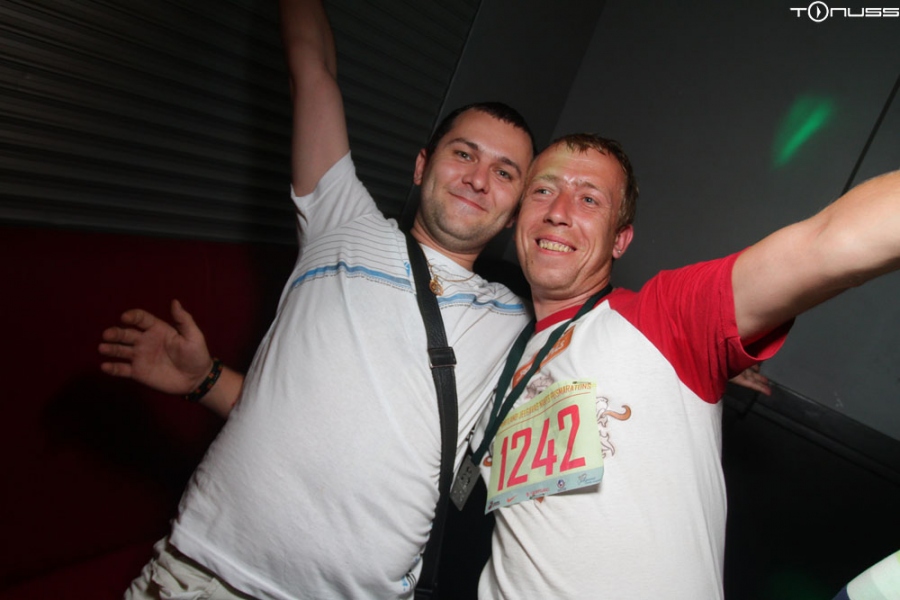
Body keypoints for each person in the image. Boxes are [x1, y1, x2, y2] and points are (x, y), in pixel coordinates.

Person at [99, 0, 535, 597]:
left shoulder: (516, 322)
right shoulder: (341, 221)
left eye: (505, 172)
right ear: (422, 165)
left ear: (516, 213)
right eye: (463, 153)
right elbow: (313, 68)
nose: (478, 178)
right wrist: (206, 379)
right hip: (198, 576)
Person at [468, 133, 900, 599]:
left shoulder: (663, 318)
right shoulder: (496, 354)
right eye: (543, 190)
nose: (558, 211)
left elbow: (831, 244)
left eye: (589, 198)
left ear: (620, 240)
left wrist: (702, 355)